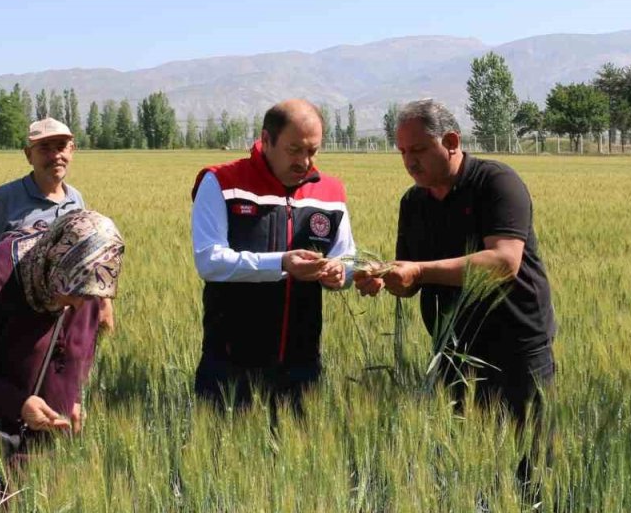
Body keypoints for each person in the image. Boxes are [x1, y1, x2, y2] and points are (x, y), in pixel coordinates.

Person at [355, 98, 555, 489]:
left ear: (450, 140)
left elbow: (503, 263)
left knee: (531, 470)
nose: (409, 162)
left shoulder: (496, 183)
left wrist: (418, 271)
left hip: (517, 350)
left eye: (418, 150)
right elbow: (411, 278)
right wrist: (386, 278)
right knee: (472, 469)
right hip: (453, 353)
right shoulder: (413, 202)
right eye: (401, 153)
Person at [0, 210, 124, 504]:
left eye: (91, 294)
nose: (80, 304)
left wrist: (73, 399)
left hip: (34, 430)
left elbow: (78, 351)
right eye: (74, 291)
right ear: (55, 266)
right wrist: (18, 403)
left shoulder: (87, 280)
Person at [190, 99, 356, 413]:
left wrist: (340, 273)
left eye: (313, 151)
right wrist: (281, 263)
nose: (305, 162)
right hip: (229, 362)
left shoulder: (330, 193)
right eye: (294, 150)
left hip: (302, 364)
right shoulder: (221, 182)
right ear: (266, 140)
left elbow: (346, 256)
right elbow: (209, 261)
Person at [0, 117, 85, 285]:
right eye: (44, 148)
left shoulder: (76, 199)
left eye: (61, 146)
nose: (55, 155)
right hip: (10, 310)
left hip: (63, 309)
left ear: (71, 150)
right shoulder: (2, 200)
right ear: (29, 155)